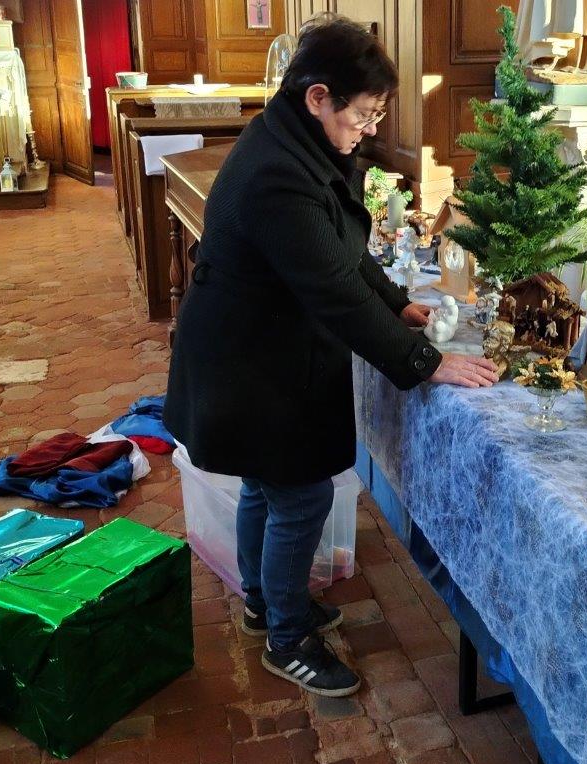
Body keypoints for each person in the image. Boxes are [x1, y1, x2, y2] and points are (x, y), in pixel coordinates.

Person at [164, 15, 498, 698]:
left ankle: (265, 601)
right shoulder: (277, 176)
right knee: (300, 491)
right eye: (364, 113)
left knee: (267, 484)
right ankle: (286, 638)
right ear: (319, 96)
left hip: (254, 347)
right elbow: (334, 292)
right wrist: (425, 362)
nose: (371, 127)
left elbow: (342, 255)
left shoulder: (294, 142)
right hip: (244, 360)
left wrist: (400, 301)